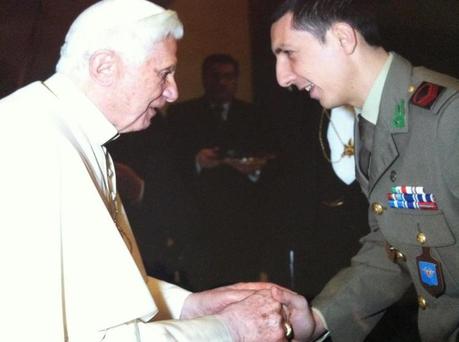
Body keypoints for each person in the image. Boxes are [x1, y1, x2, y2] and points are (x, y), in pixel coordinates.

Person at [0, 0, 304, 341]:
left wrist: (189, 305)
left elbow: (97, 285)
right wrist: (230, 328)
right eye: (164, 73)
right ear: (104, 67)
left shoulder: (73, 133)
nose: (173, 92)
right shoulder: (28, 140)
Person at [270, 0, 459, 341]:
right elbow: (392, 247)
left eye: (289, 53)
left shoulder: (448, 117)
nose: (282, 77)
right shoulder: (371, 123)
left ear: (343, 38)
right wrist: (318, 318)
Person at [167, 54, 273, 289]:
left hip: (243, 227)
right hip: (198, 226)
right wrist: (196, 161)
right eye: (216, 76)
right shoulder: (182, 115)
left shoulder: (254, 115)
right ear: (205, 79)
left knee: (244, 293)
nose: (222, 83)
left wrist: (253, 169)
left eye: (228, 77)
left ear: (236, 80)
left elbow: (269, 161)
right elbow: (168, 167)